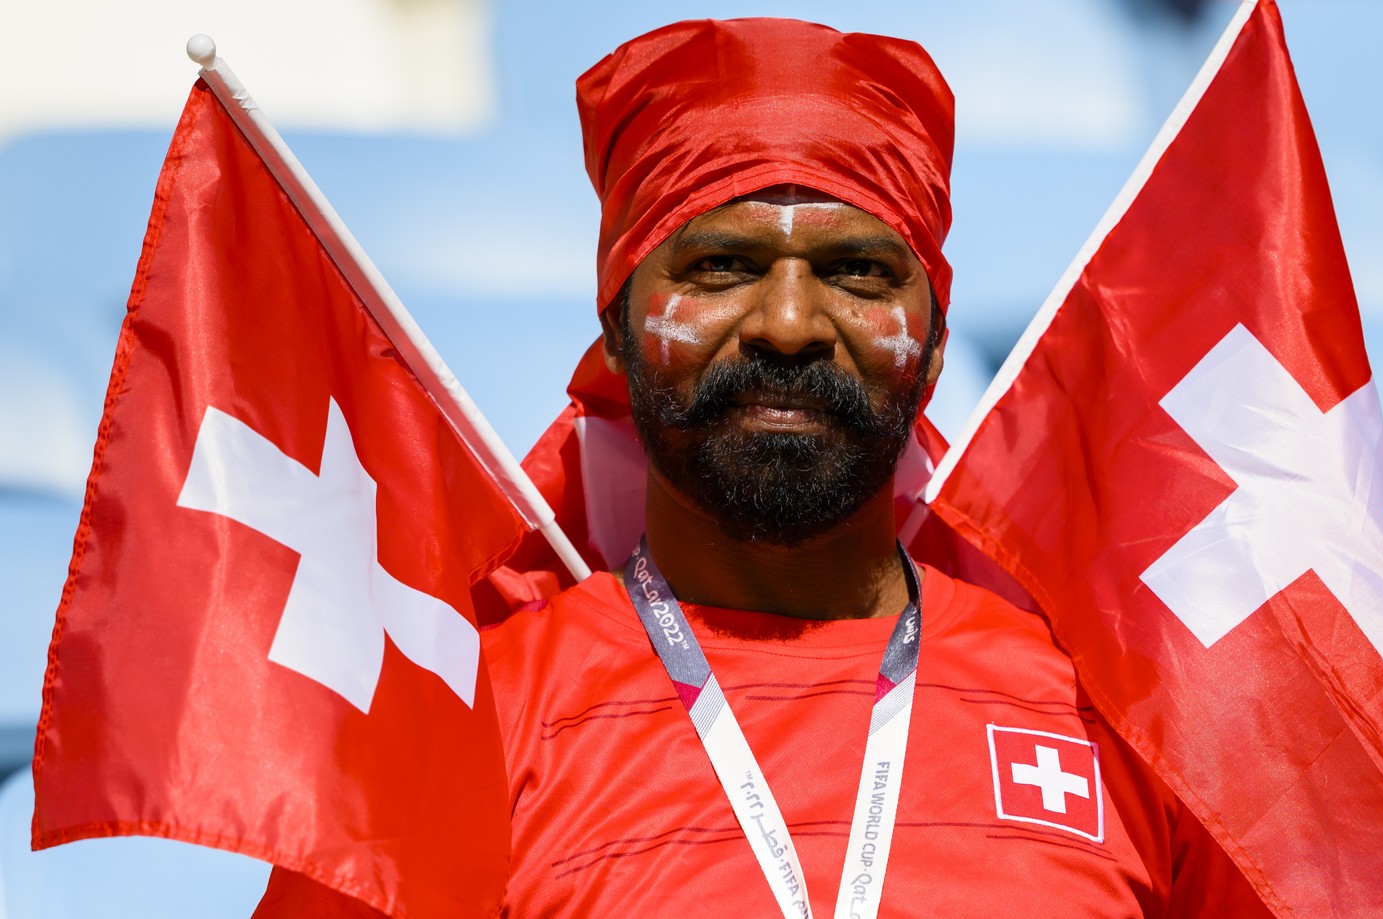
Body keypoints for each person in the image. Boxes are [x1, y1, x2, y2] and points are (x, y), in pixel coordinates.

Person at [253, 17, 1269, 917]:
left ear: (939, 340)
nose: (789, 325)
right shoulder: (459, 731)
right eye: (722, 267)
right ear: (611, 331)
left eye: (857, 272)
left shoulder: (1119, 720)